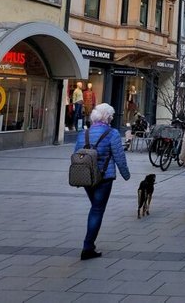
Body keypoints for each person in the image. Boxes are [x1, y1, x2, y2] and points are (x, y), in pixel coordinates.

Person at [74, 103, 130, 260]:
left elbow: (76, 155)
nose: (112, 119)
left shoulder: (83, 134)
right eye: (111, 116)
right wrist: (126, 175)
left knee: (95, 207)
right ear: (107, 117)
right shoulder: (112, 134)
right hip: (104, 177)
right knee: (97, 210)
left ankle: (89, 245)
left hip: (86, 177)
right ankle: (88, 246)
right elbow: (119, 156)